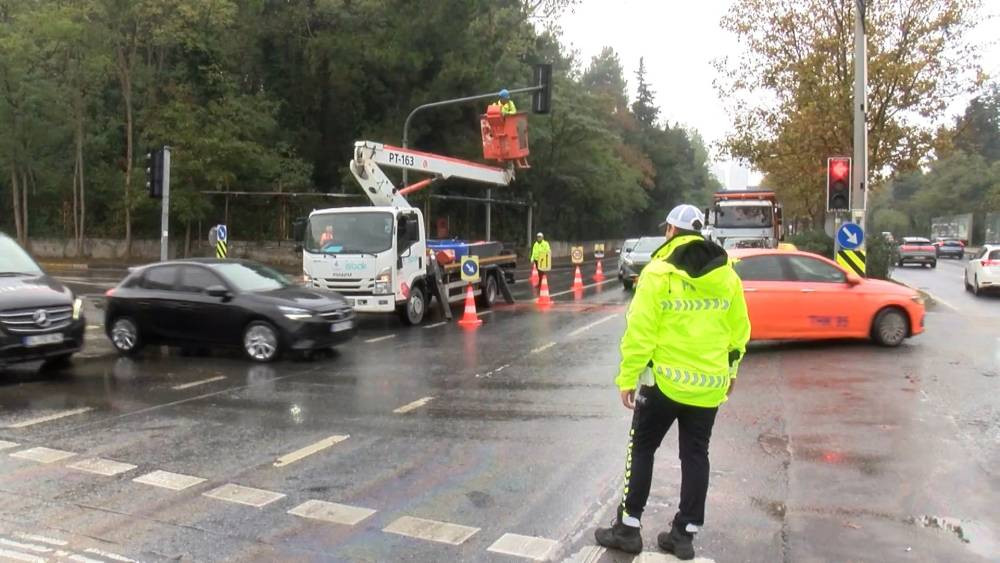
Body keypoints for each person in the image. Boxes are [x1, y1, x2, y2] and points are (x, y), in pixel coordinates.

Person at [594, 204, 751, 559]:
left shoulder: (658, 272)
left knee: (642, 449)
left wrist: (628, 376)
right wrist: (731, 372)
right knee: (696, 455)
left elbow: (640, 332)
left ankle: (628, 528)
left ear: (670, 231)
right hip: (709, 385)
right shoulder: (727, 274)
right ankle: (684, 535)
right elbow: (739, 331)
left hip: (662, 383)